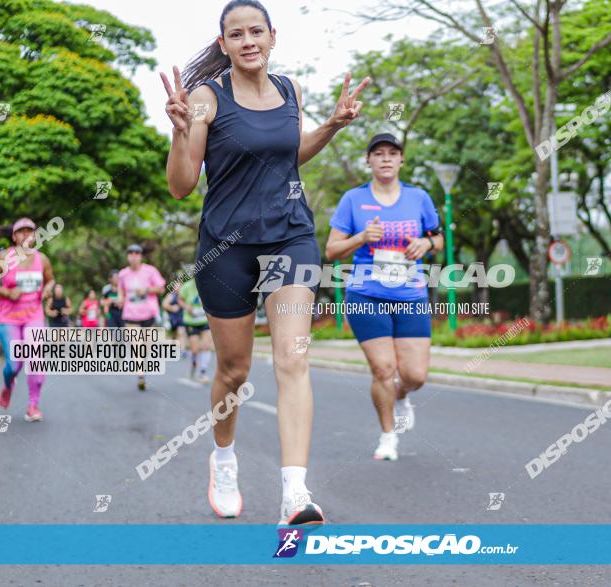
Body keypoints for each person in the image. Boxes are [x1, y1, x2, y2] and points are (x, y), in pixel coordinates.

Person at [161, 0, 368, 523]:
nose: (248, 40)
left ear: (272, 36)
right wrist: (180, 130)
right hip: (226, 247)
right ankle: (224, 457)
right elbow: (183, 185)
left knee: (293, 359)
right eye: (237, 34)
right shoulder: (206, 98)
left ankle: (294, 492)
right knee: (234, 370)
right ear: (224, 43)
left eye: (257, 31)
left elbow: (289, 152)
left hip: (290, 237)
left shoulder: (291, 91)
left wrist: (334, 125)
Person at [325, 133, 443, 461]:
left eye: (393, 153)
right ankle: (388, 436)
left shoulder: (419, 198)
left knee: (415, 376)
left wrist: (427, 244)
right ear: (369, 161)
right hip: (366, 294)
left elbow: (439, 239)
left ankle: (402, 396)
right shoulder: (353, 200)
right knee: (383, 369)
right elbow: (332, 250)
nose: (386, 158)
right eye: (378, 153)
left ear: (402, 160)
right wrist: (361, 237)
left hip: (410, 294)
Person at [0, 218, 56, 422]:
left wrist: (48, 290)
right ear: (14, 236)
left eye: (30, 231)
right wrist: (6, 292)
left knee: (36, 361)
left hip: (34, 315)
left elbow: (51, 280)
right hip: (9, 318)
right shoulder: (4, 257)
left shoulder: (42, 259)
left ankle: (33, 405)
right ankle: (8, 385)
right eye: (21, 232)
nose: (26, 235)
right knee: (14, 365)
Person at [117, 244, 166, 391]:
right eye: (130, 253)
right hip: (131, 315)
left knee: (146, 347)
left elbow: (162, 288)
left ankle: (141, 369)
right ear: (127, 256)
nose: (133, 256)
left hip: (149, 314)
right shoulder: (123, 274)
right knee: (137, 346)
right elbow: (121, 289)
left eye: (136, 253)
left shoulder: (150, 271)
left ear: (141, 256)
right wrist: (120, 298)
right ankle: (140, 376)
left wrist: (146, 290)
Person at [178, 278, 213, 384]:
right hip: (191, 321)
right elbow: (180, 299)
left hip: (204, 319)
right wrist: (186, 307)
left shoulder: (208, 284)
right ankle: (193, 365)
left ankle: (202, 372)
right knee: (195, 349)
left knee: (207, 346)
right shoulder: (187, 286)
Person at [162, 282, 189, 355]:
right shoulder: (171, 296)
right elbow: (164, 304)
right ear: (174, 288)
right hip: (172, 318)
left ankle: (182, 350)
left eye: (179, 287)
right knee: (172, 334)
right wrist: (171, 308)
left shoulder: (184, 296)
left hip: (182, 317)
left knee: (181, 332)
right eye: (176, 287)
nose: (178, 289)